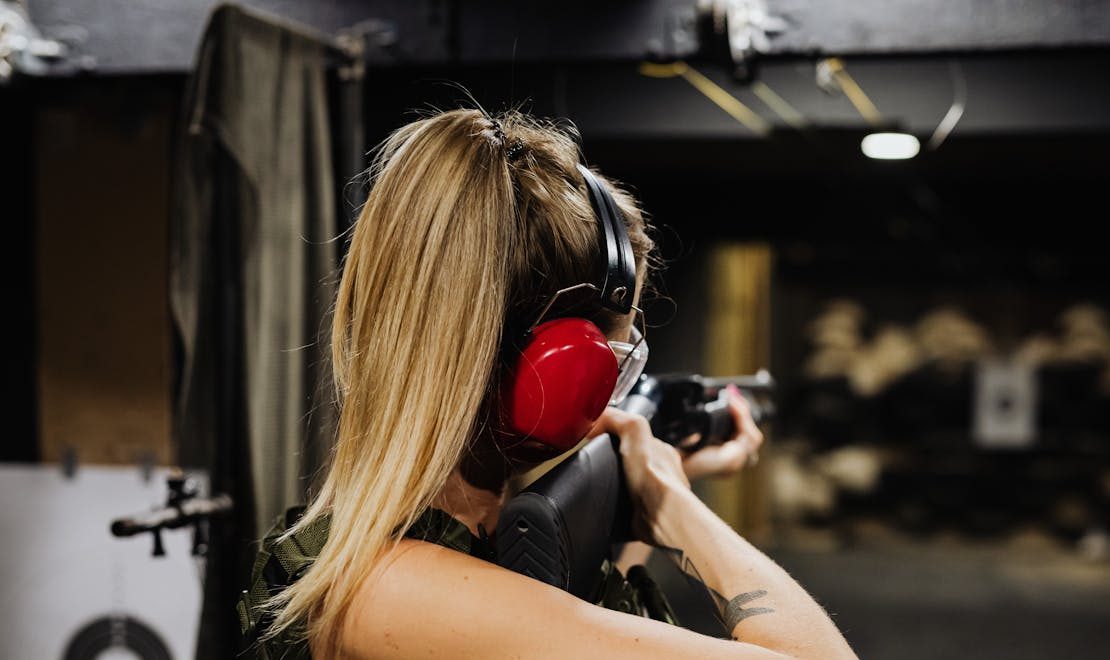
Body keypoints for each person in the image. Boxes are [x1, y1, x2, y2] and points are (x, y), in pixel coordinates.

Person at [246, 108, 857, 659]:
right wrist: (674, 506)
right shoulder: (391, 595)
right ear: (566, 369)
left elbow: (580, 611)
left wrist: (637, 493)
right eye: (618, 350)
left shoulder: (419, 562)